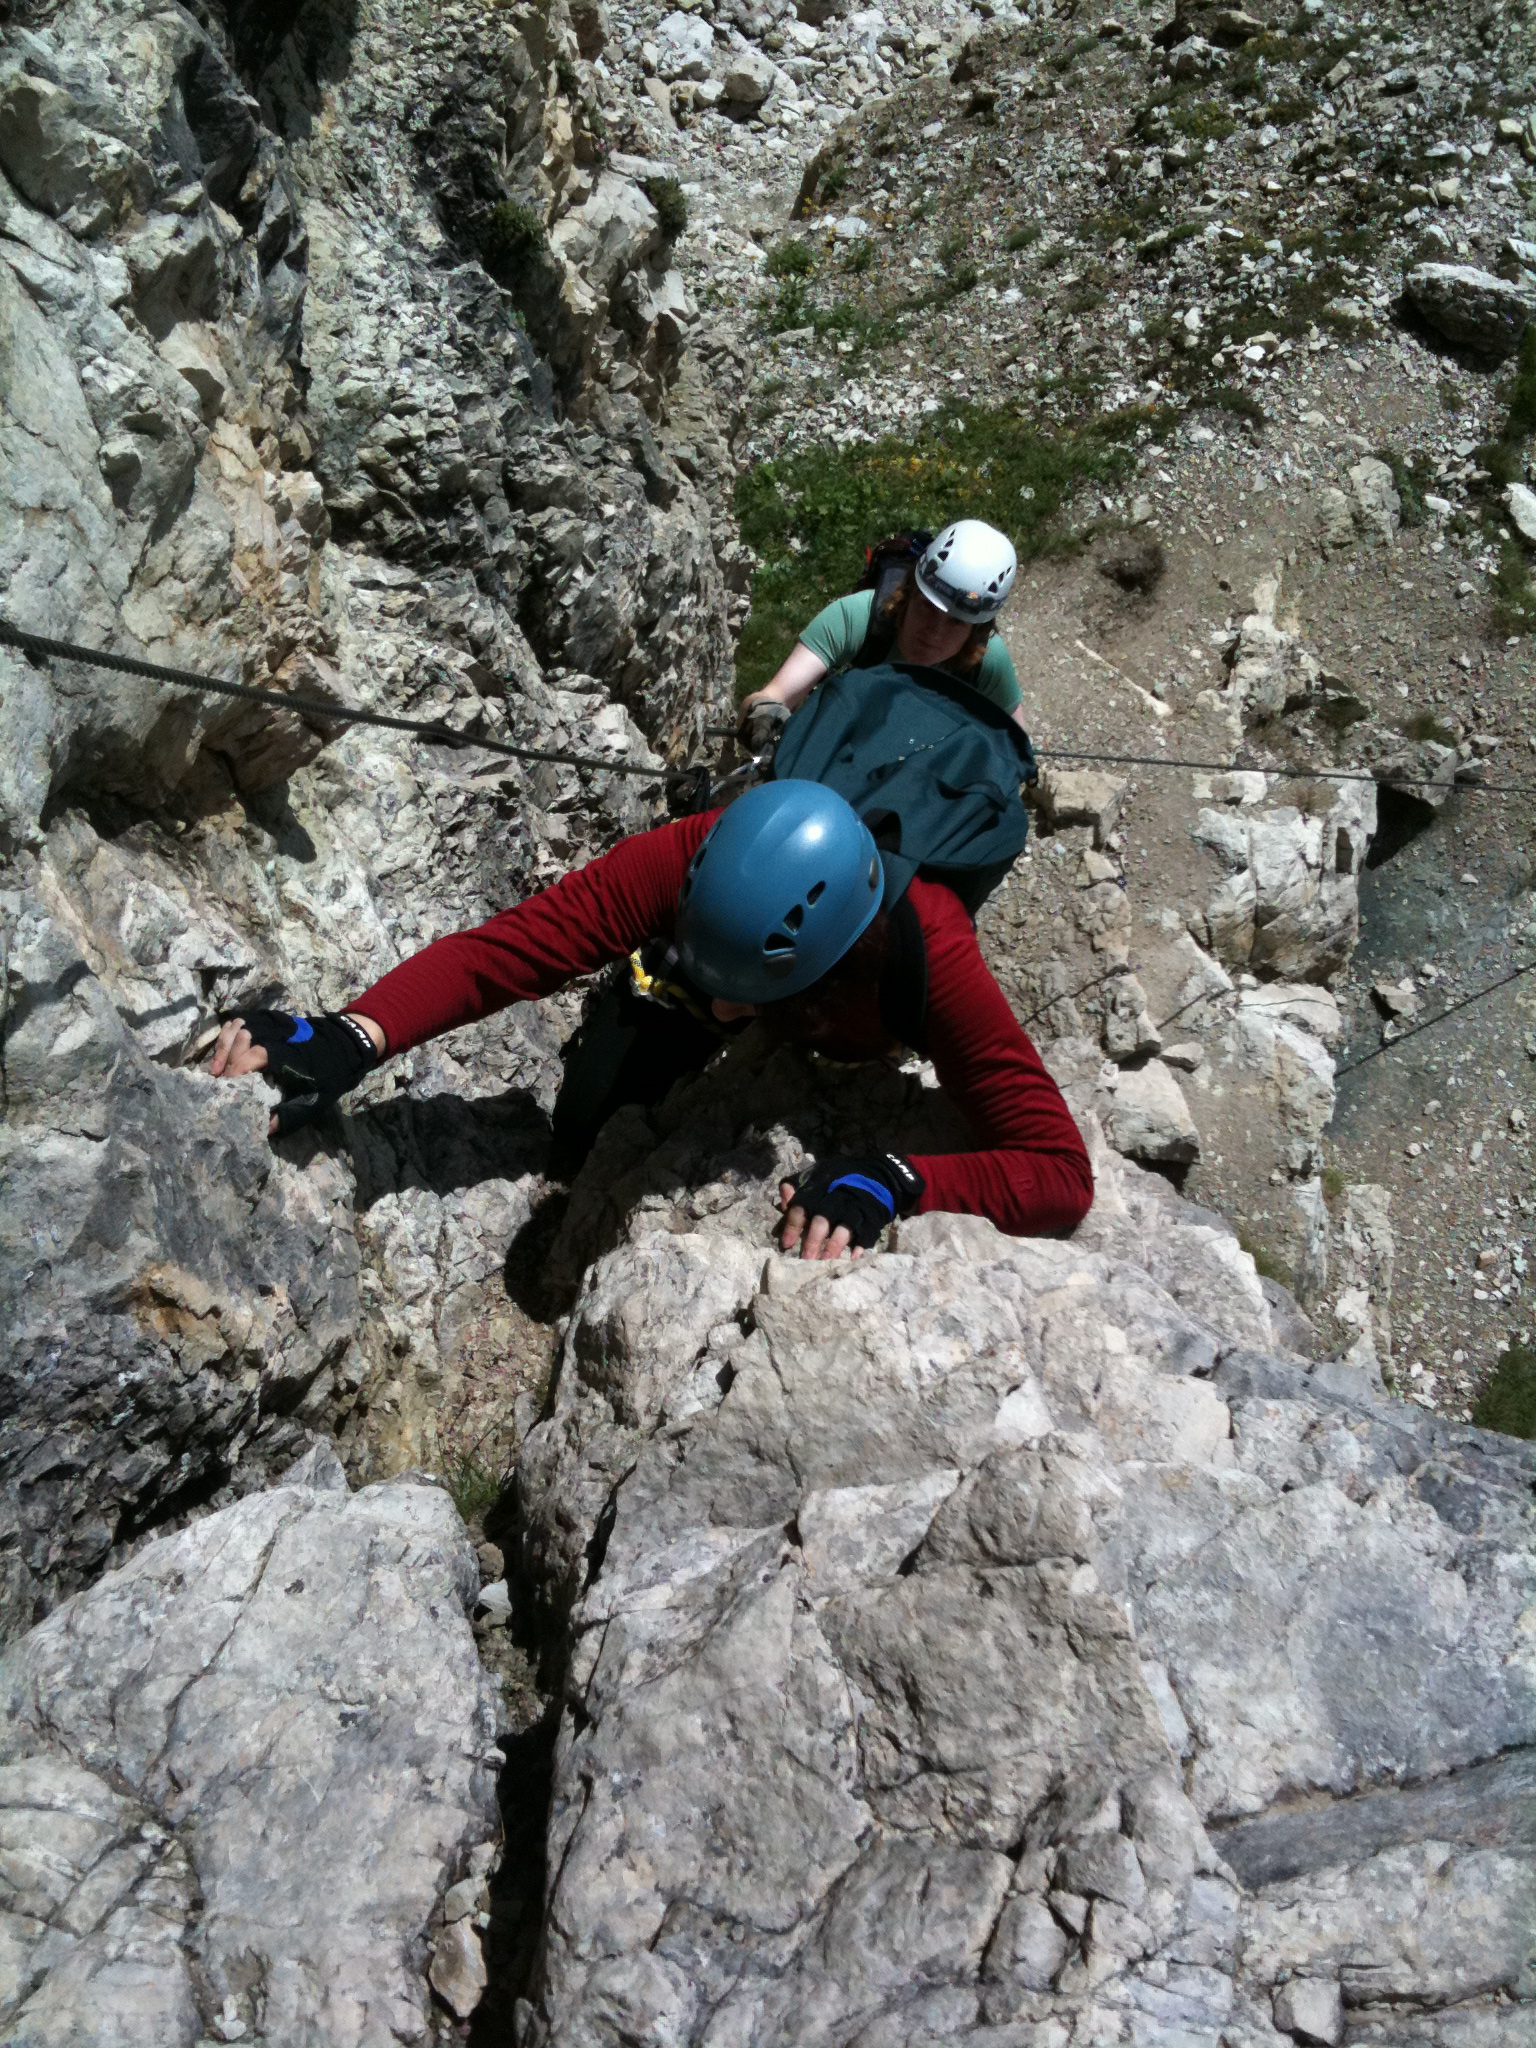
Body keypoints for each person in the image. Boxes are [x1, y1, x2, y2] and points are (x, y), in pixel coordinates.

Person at [207, 781, 1093, 1261]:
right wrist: (354, 1034)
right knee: (580, 1136)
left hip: (862, 1007)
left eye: (749, 1000)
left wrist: (894, 1179)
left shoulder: (930, 953)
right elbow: (506, 953)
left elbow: (1059, 1173)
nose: (721, 1012)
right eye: (706, 976)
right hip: (721, 965)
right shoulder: (687, 854)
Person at [738, 519, 1028, 753]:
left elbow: (1017, 746)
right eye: (927, 608)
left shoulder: (988, 659)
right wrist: (763, 711)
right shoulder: (857, 617)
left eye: (955, 623)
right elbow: (774, 695)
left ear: (975, 632)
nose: (934, 631)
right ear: (909, 593)